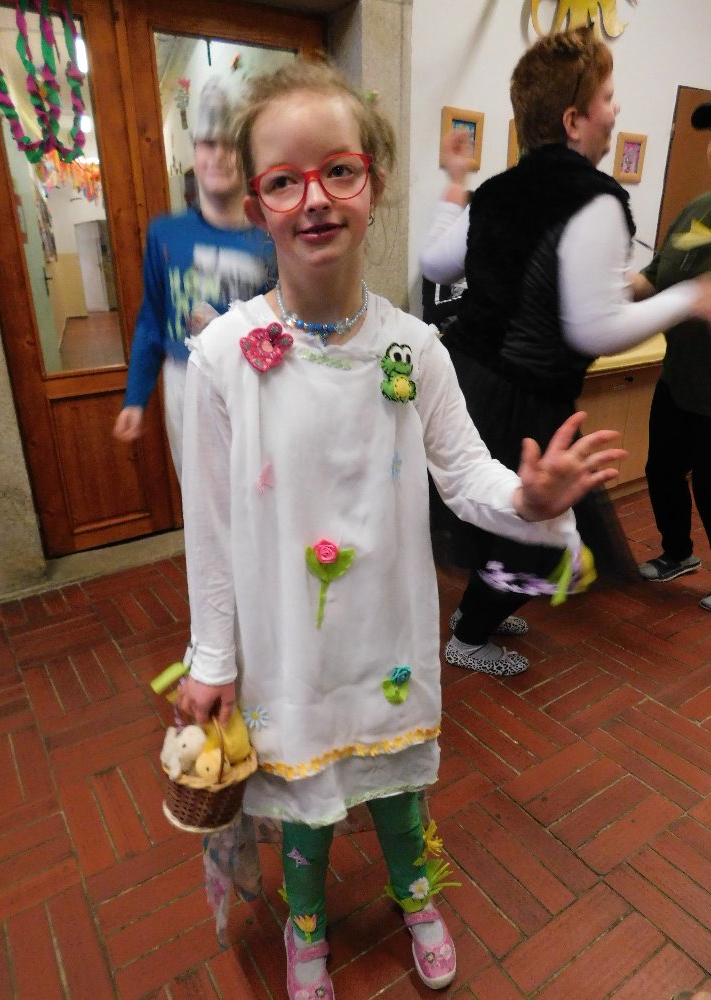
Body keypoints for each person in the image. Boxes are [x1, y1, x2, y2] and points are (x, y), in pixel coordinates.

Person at [176, 58, 626, 999]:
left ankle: (416, 894)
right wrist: (212, 657)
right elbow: (208, 526)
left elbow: (466, 473)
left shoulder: (415, 350)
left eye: (338, 170)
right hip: (288, 646)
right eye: (284, 180)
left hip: (384, 635)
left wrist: (529, 499)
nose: (314, 198)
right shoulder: (222, 360)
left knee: (394, 789)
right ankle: (306, 928)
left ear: (373, 183)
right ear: (257, 205)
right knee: (305, 805)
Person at [420, 28, 711, 677]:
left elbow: (436, 263)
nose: (616, 108)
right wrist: (689, 298)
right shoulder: (596, 201)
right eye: (607, 97)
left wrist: (457, 181)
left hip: (463, 381)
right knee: (541, 535)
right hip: (522, 397)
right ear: (575, 120)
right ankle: (470, 636)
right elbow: (594, 331)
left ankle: (476, 615)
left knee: (507, 519)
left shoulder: (498, 190)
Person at [112, 79, 272, 478]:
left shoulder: (271, 238)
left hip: (256, 382)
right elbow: (152, 319)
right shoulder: (165, 234)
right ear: (195, 151)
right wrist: (135, 397)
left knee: (260, 489)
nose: (219, 156)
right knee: (201, 494)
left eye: (231, 144)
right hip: (186, 380)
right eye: (208, 144)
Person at [633, 102, 711, 610]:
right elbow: (656, 274)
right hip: (679, 378)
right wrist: (612, 288)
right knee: (661, 470)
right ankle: (678, 553)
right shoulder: (699, 208)